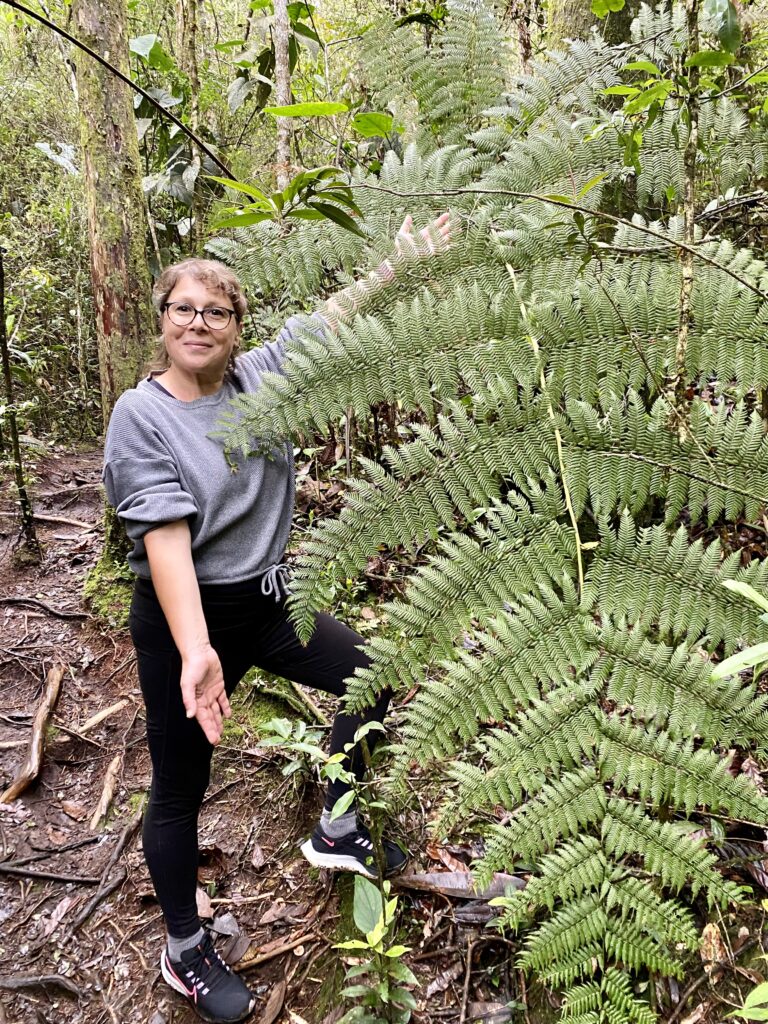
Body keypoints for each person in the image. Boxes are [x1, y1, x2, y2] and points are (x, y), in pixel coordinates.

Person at [102, 213, 451, 1024]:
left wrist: (401, 264)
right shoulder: (140, 416)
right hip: (186, 614)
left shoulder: (261, 378)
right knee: (179, 789)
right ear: (162, 320)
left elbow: (330, 319)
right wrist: (196, 650)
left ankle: (337, 820)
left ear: (234, 325)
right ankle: (184, 947)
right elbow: (164, 541)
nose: (198, 323)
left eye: (215, 311)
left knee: (372, 672)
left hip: (270, 600)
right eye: (183, 308)